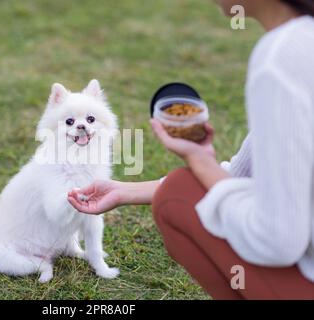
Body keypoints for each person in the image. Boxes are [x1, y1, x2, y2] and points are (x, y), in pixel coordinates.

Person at [67, 0, 314, 299]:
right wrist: (125, 191)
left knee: (178, 196)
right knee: (183, 186)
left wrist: (198, 159)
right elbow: (241, 175)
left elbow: (278, 240)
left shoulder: (280, 57)